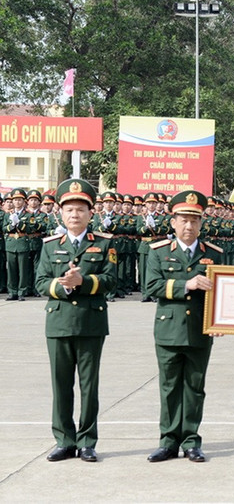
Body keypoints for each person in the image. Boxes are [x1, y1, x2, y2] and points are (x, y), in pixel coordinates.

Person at [35, 178, 117, 462]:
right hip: (58, 324)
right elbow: (41, 282)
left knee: (88, 385)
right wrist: (64, 286)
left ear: (90, 214)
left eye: (81, 209)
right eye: (69, 209)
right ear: (60, 213)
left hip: (90, 324)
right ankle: (64, 440)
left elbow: (111, 280)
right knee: (60, 385)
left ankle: (87, 441)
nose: (74, 214)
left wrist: (83, 281)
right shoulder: (49, 246)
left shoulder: (105, 244)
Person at [144, 191, 223, 463]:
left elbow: (226, 291)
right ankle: (167, 441)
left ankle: (191, 440)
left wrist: (222, 318)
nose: (189, 226)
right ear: (173, 222)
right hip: (168, 330)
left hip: (201, 329)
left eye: (194, 221)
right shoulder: (158, 252)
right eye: (184, 220)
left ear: (202, 223)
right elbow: (151, 286)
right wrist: (185, 285)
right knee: (168, 387)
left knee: (194, 387)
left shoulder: (215, 254)